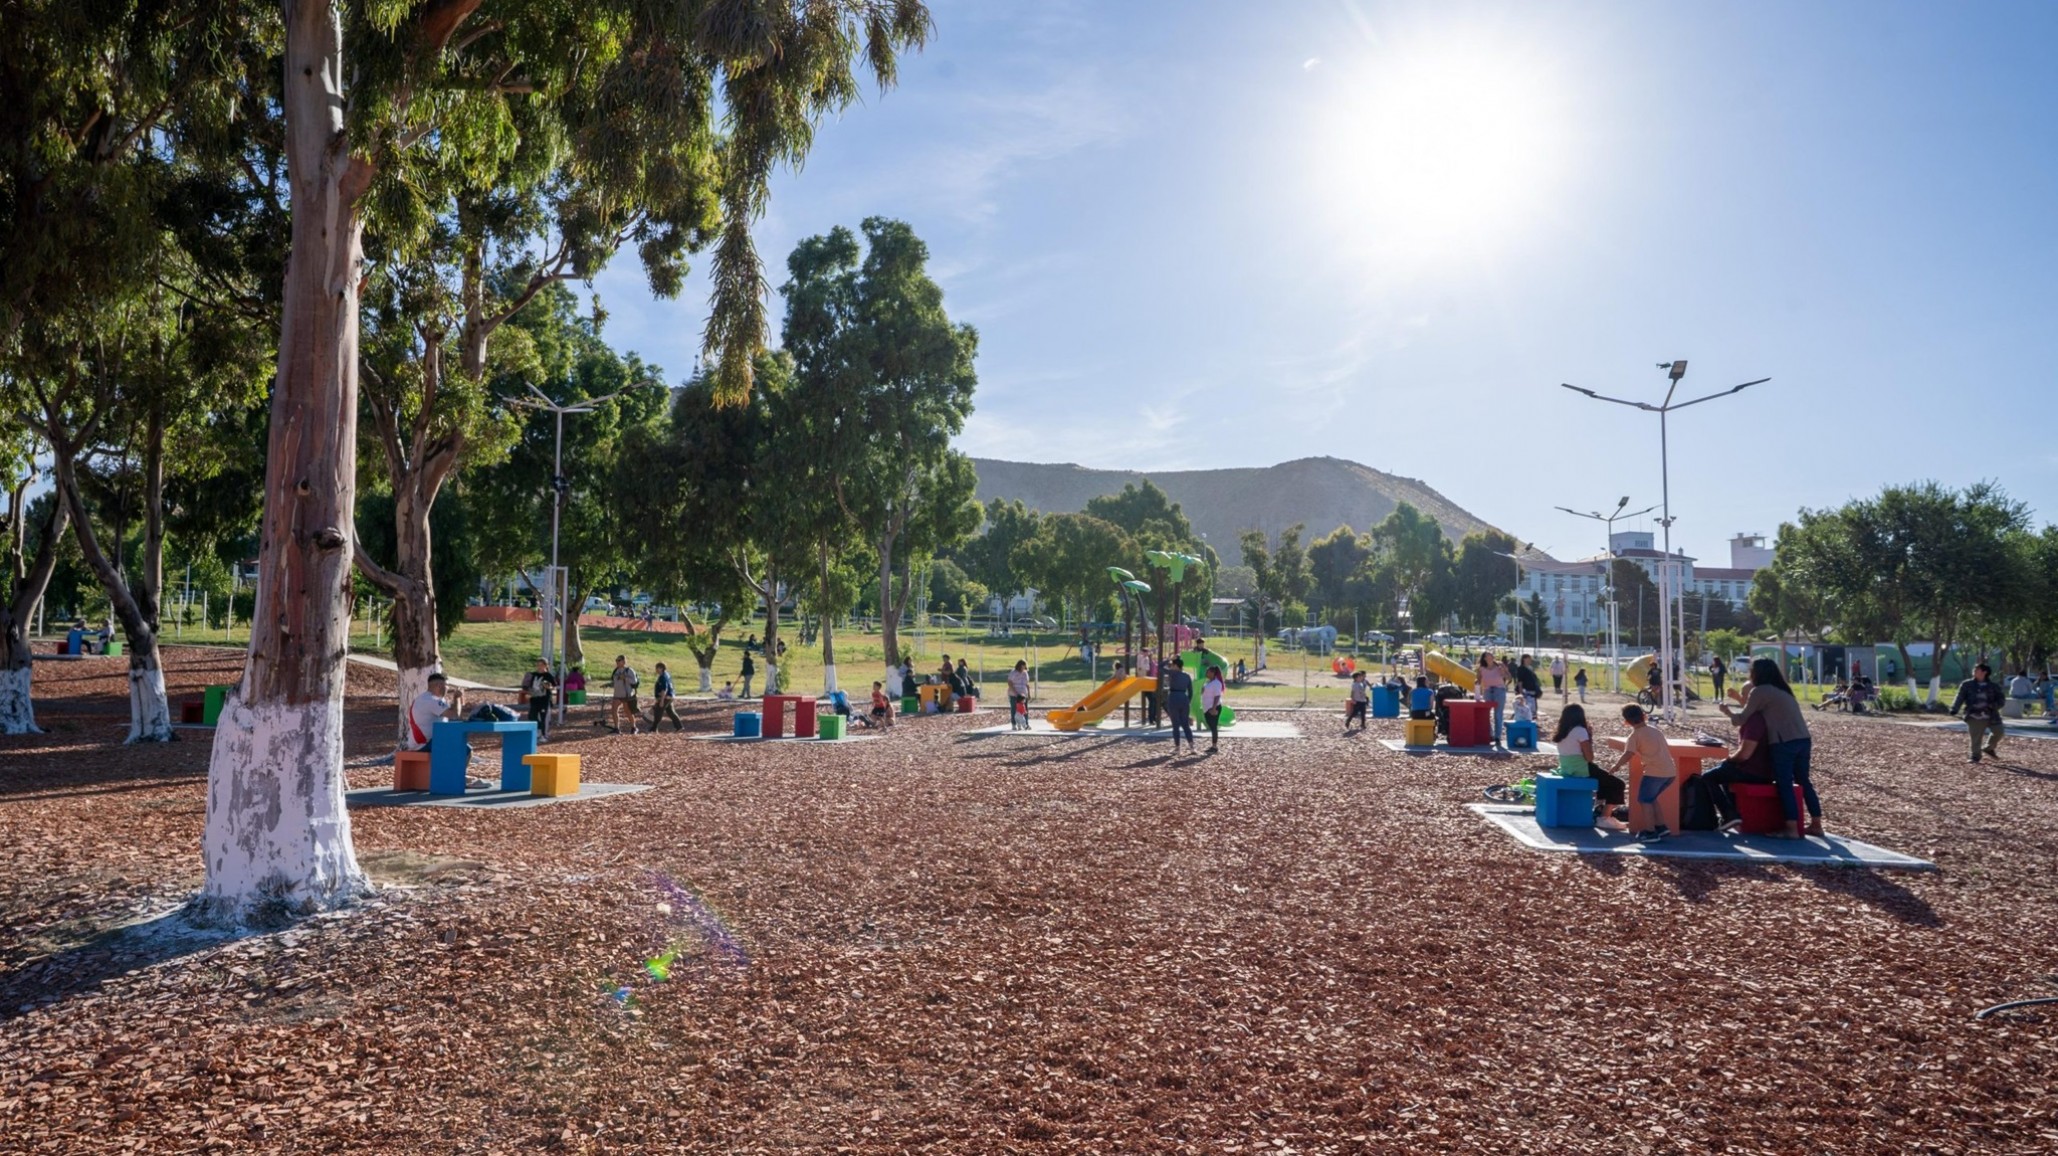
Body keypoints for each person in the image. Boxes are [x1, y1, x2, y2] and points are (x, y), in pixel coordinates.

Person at [1719, 657, 1823, 838]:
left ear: (1757, 673)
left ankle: (1791, 828)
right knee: (1804, 781)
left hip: (1783, 742)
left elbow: (1742, 719)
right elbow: (1755, 709)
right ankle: (1816, 824)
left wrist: (1727, 711)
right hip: (1803, 739)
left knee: (1784, 784)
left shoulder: (1760, 691)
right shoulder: (1782, 690)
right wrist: (1739, 699)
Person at [1699, 701, 1776, 830]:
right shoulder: (1765, 717)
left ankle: (1729, 814)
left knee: (1708, 777)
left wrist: (1729, 759)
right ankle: (1732, 814)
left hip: (1755, 771)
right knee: (1725, 774)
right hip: (1766, 770)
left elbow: (1745, 754)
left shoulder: (1755, 720)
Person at [1604, 703, 1677, 840]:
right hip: (1670, 772)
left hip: (1654, 773)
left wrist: (1616, 766)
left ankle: (1650, 832)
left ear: (1626, 722)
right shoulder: (1656, 731)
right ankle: (1661, 827)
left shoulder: (1635, 736)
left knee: (1645, 801)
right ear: (1644, 716)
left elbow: (1628, 753)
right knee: (1652, 798)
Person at [1550, 704, 1627, 831]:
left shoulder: (1562, 731)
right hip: (1581, 769)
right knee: (1617, 784)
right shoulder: (1580, 730)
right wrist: (1589, 737)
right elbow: (1589, 757)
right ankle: (1605, 817)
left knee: (1603, 779)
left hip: (1567, 768)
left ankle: (1600, 809)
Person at [1950, 662, 2006, 763]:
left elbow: (2001, 700)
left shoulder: (1993, 686)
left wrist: (1993, 706)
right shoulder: (1967, 685)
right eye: (1974, 669)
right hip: (1974, 715)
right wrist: (1954, 708)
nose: (1974, 671)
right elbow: (1960, 697)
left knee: (1999, 731)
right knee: (1976, 737)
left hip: (1991, 715)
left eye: (1977, 670)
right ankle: (1975, 756)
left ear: (1984, 672)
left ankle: (1988, 748)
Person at [407, 672, 466, 751]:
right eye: (447, 686)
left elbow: (451, 714)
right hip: (424, 745)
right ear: (439, 686)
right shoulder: (432, 700)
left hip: (425, 743)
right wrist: (456, 698)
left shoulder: (425, 698)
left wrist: (458, 701)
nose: (448, 689)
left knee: (463, 747)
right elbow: (455, 715)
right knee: (465, 750)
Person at [1474, 652, 1509, 747]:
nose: (1491, 657)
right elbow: (1478, 680)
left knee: (1498, 714)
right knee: (1486, 713)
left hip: (1499, 690)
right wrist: (1477, 692)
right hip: (1487, 690)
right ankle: (1490, 733)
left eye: (1492, 656)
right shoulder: (1481, 668)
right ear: (1485, 658)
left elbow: (1509, 677)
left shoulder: (1499, 665)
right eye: (1489, 656)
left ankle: (1497, 736)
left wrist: (1504, 673)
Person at [1165, 656, 1196, 754]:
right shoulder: (1187, 676)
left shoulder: (1173, 673)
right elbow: (1191, 691)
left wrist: (1168, 659)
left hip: (1174, 697)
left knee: (1175, 725)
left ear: (1175, 666)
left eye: (1172, 665)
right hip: (1184, 698)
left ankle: (1177, 748)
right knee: (1186, 725)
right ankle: (1192, 747)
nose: (1171, 667)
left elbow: (1160, 668)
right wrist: (1188, 701)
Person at [520, 659, 557, 739]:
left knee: (543, 717)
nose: (539, 667)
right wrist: (528, 691)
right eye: (538, 665)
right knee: (532, 716)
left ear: (546, 666)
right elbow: (528, 685)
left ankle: (544, 735)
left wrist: (548, 686)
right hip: (534, 699)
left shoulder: (548, 675)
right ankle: (538, 730)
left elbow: (553, 686)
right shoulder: (533, 675)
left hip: (544, 699)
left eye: (541, 665)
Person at [648, 662, 682, 731]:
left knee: (658, 711)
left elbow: (664, 689)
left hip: (666, 697)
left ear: (661, 668)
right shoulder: (666, 674)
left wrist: (662, 700)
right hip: (670, 696)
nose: (656, 670)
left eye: (657, 668)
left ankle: (654, 728)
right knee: (671, 712)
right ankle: (679, 726)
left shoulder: (662, 677)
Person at [1201, 665, 1226, 752]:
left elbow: (1217, 696)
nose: (1206, 673)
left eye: (1208, 671)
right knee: (1211, 726)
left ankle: (1214, 746)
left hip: (1213, 707)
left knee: (1213, 726)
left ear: (1212, 673)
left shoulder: (1216, 683)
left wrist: (1214, 708)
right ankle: (1213, 745)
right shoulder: (1209, 682)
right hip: (1207, 707)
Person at [1514, 656, 1542, 721]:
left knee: (1533, 707)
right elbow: (1520, 681)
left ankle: (1533, 720)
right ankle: (1527, 721)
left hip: (1532, 691)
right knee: (1526, 708)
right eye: (1528, 659)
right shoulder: (1521, 669)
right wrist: (1521, 693)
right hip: (1526, 691)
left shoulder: (1530, 668)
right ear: (1524, 659)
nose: (1530, 660)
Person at [1006, 660, 1031, 731]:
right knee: (1014, 709)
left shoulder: (1025, 673)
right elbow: (1010, 682)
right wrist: (1015, 692)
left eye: (1024, 667)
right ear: (1019, 666)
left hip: (1023, 694)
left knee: (1024, 709)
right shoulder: (1013, 673)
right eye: (1022, 667)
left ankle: (1026, 724)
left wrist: (1028, 694)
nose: (1023, 668)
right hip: (1014, 694)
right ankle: (1014, 724)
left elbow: (1027, 684)